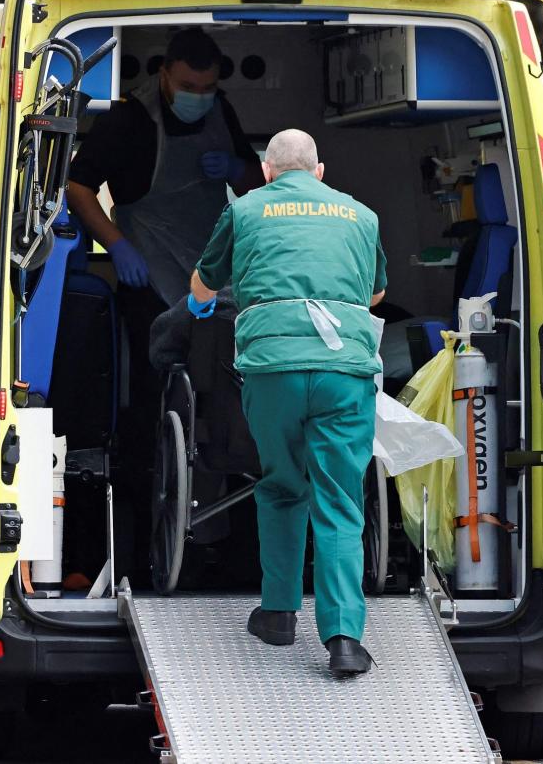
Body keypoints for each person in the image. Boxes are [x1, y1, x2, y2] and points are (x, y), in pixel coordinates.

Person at [66, 27, 264, 579]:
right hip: (149, 279)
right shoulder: (129, 121)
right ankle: (150, 533)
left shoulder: (220, 111)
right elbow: (77, 186)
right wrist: (116, 243)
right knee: (155, 406)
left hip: (212, 277)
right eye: (188, 85)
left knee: (223, 400)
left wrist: (234, 170)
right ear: (165, 75)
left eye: (206, 84)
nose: (198, 94)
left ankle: (215, 532)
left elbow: (253, 179)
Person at [189, 129, 387, 676]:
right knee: (340, 500)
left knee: (280, 486)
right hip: (344, 372)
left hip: (271, 369)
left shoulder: (246, 208)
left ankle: (278, 614)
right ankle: (345, 637)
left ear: (268, 171)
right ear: (319, 172)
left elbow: (203, 288)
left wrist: (201, 301)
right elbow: (374, 295)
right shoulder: (361, 216)